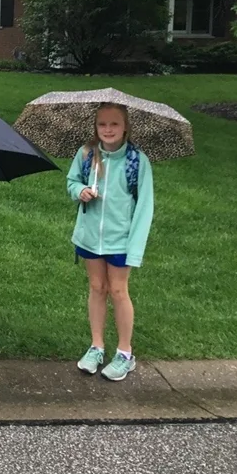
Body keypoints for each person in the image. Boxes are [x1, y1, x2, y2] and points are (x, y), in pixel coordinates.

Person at [67, 103, 154, 382]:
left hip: (120, 240)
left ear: (125, 126)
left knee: (118, 291)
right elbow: (71, 182)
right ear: (95, 126)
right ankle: (96, 347)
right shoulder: (85, 154)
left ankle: (125, 353)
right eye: (102, 124)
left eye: (114, 124)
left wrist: (135, 248)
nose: (107, 130)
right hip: (90, 237)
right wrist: (80, 190)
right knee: (96, 287)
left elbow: (144, 208)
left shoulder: (137, 161)